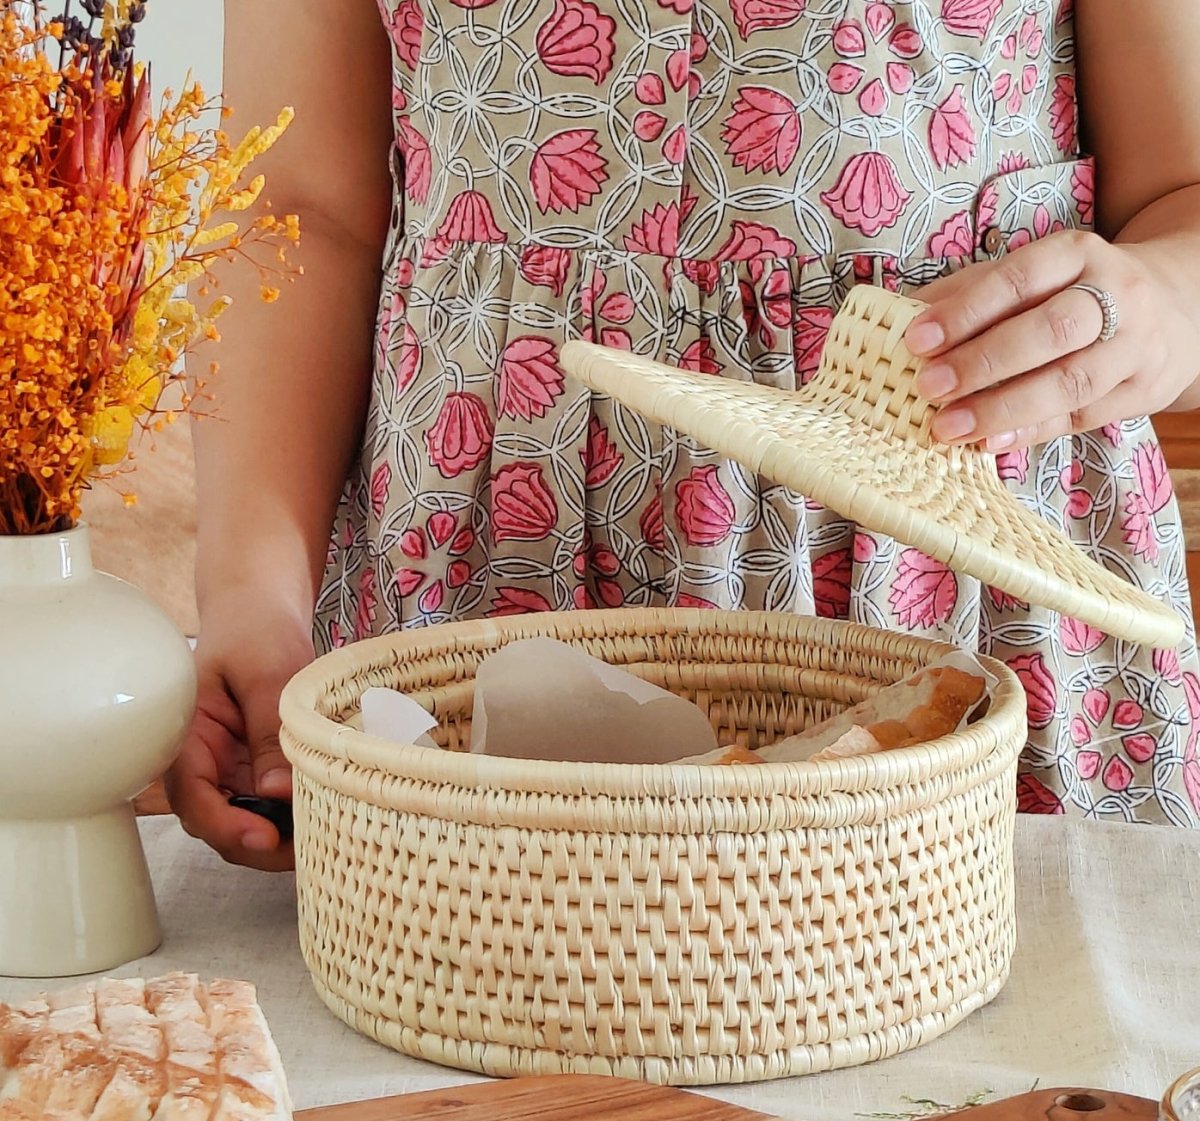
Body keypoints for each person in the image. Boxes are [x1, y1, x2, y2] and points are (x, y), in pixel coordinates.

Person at [168, 0, 1200, 869]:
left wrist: (1159, 302)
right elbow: (295, 207)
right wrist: (252, 594)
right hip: (477, 593)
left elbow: (1183, 195)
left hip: (950, 591)